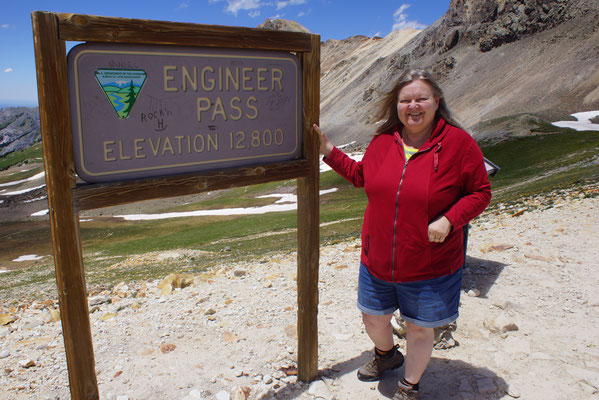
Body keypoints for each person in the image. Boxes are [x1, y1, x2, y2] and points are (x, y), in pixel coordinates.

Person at [313, 69, 491, 399]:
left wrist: (449, 220)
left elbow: (480, 192)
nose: (413, 106)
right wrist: (328, 150)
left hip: (430, 263)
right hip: (377, 258)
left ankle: (409, 385)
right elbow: (360, 175)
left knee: (420, 329)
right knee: (373, 318)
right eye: (405, 100)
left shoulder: (457, 143)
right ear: (396, 105)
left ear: (437, 102)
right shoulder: (384, 141)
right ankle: (386, 355)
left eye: (421, 98)